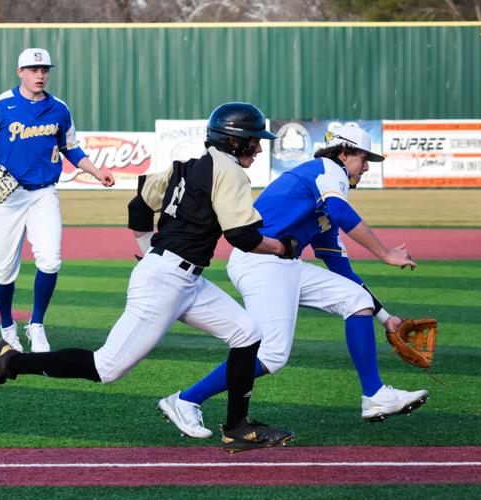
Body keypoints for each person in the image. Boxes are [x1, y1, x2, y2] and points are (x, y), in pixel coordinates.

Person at [0, 102, 298, 454]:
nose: (258, 148)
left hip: (181, 278)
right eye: (253, 141)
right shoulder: (230, 172)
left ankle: (237, 428)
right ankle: (9, 362)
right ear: (234, 142)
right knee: (106, 367)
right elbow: (242, 237)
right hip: (167, 280)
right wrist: (283, 248)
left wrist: (148, 249)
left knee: (248, 334)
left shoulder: (182, 168)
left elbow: (138, 205)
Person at [161, 122, 428, 438]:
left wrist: (385, 318)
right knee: (271, 354)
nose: (367, 167)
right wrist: (385, 253)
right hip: (261, 260)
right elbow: (342, 211)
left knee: (356, 301)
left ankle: (375, 395)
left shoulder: (322, 207)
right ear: (344, 154)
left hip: (284, 264)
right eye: (363, 158)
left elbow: (341, 268)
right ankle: (185, 400)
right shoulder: (328, 170)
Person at [0, 48, 115, 353]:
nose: (40, 75)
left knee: (50, 260)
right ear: (20, 72)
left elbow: (71, 148)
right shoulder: (1, 105)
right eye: (33, 70)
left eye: (44, 69)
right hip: (8, 196)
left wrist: (97, 171)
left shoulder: (59, 109)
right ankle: (7, 327)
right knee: (4, 269)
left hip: (44, 193)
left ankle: (36, 325)